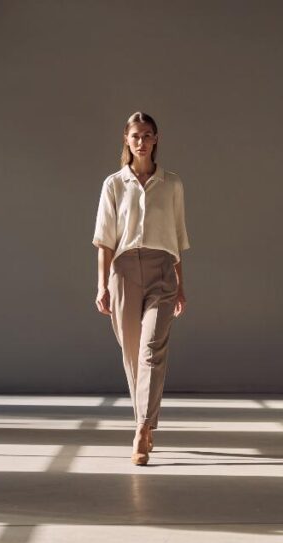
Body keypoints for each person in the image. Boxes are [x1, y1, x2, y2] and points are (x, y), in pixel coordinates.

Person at [92, 111, 190, 466]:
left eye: (148, 135)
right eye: (135, 135)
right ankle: (145, 419)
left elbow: (178, 238)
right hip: (123, 272)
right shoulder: (113, 184)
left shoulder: (173, 184)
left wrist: (181, 285)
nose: (142, 141)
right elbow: (104, 239)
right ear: (126, 140)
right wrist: (102, 284)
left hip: (163, 271)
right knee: (132, 353)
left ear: (156, 139)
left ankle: (142, 430)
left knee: (152, 348)